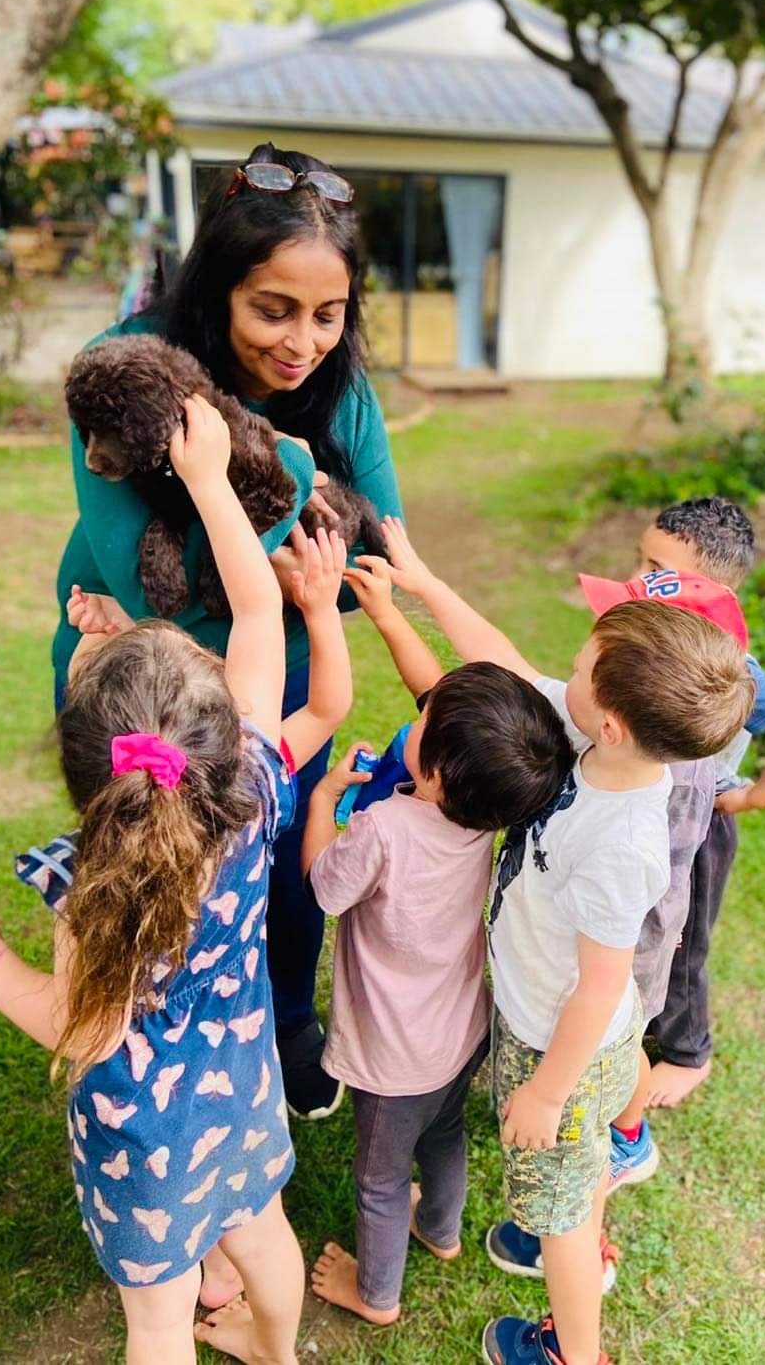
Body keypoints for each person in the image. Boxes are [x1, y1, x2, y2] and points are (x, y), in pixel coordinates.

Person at [0, 398, 353, 1364]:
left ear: (88, 775)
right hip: (243, 1087)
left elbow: (80, 1027)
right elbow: (254, 612)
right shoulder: (254, 783)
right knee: (263, 1238)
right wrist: (210, 483)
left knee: (158, 1325)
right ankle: (277, 1351)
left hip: (145, 1141)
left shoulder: (96, 885)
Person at [51, 141, 403, 1137]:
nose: (304, 344)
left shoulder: (343, 391)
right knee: (150, 885)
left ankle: (285, 1028)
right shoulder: (127, 369)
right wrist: (297, 561)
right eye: (274, 311)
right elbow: (151, 599)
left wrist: (307, 585)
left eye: (328, 316)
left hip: (274, 697)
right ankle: (128, 1052)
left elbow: (377, 554)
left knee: (284, 879)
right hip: (142, 693)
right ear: (219, 289)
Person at [379, 518, 755, 1365]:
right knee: (569, 1190)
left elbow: (596, 987)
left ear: (613, 720)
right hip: (573, 1035)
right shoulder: (595, 740)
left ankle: (571, 1351)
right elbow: (503, 656)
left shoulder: (621, 845)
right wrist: (425, 584)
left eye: (583, 666)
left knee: (560, 1216)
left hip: (563, 1046)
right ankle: (581, 1202)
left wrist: (546, 1093)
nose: (567, 670)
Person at [299, 555, 573, 1327]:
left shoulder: (383, 827)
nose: (411, 721)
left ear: (441, 775)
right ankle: (442, 1230)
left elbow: (323, 887)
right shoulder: (493, 821)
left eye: (421, 724)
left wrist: (324, 800)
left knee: (380, 1180)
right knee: (445, 1132)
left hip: (393, 1059)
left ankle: (376, 1294)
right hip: (461, 1034)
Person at [636, 496, 765, 1107]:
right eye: (641, 563)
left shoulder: (734, 669)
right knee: (643, 924)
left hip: (699, 829)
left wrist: (751, 798)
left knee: (683, 939)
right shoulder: (645, 632)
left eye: (657, 571)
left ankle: (688, 1052)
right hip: (643, 809)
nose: (640, 581)